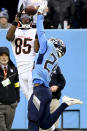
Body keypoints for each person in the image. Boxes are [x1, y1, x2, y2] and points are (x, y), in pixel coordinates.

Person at [28, 2, 83, 131]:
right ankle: (64, 104)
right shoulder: (55, 62)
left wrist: (40, 14)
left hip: (39, 90)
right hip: (46, 92)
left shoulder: (47, 47)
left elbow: (40, 31)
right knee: (45, 124)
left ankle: (64, 103)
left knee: (33, 121)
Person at [6, 11, 37, 100]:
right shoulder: (15, 31)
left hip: (31, 68)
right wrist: (15, 21)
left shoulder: (34, 31)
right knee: (29, 98)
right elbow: (8, 37)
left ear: (30, 19)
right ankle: (41, 112)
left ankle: (38, 113)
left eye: (27, 17)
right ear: (19, 19)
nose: (25, 19)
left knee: (31, 96)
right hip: (20, 69)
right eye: (23, 17)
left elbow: (37, 49)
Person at [0, 47, 20, 131]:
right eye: (1, 55)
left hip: (11, 105)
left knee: (8, 129)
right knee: (2, 128)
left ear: (8, 57)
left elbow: (17, 85)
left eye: (6, 55)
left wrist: (17, 99)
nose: (4, 57)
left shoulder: (14, 69)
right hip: (0, 105)